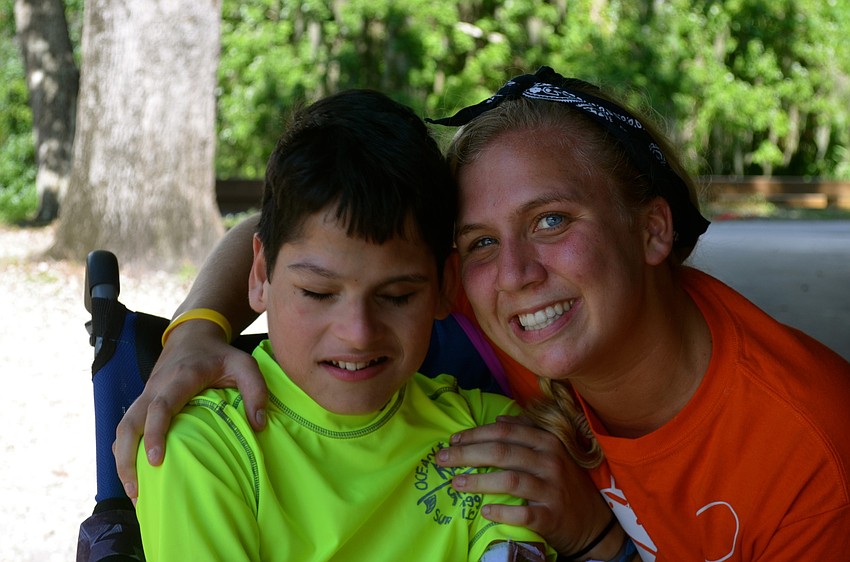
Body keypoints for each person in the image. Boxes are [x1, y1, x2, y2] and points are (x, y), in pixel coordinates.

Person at [117, 67, 850, 560]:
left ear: (653, 229)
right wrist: (194, 334)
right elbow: (304, 238)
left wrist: (599, 542)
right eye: (480, 241)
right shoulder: (476, 297)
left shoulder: (814, 452)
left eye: (554, 220)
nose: (518, 273)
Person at [133, 89, 556, 561]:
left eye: (397, 297)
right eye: (318, 293)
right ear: (259, 276)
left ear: (444, 288)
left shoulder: (492, 434)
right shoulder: (202, 449)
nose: (358, 332)